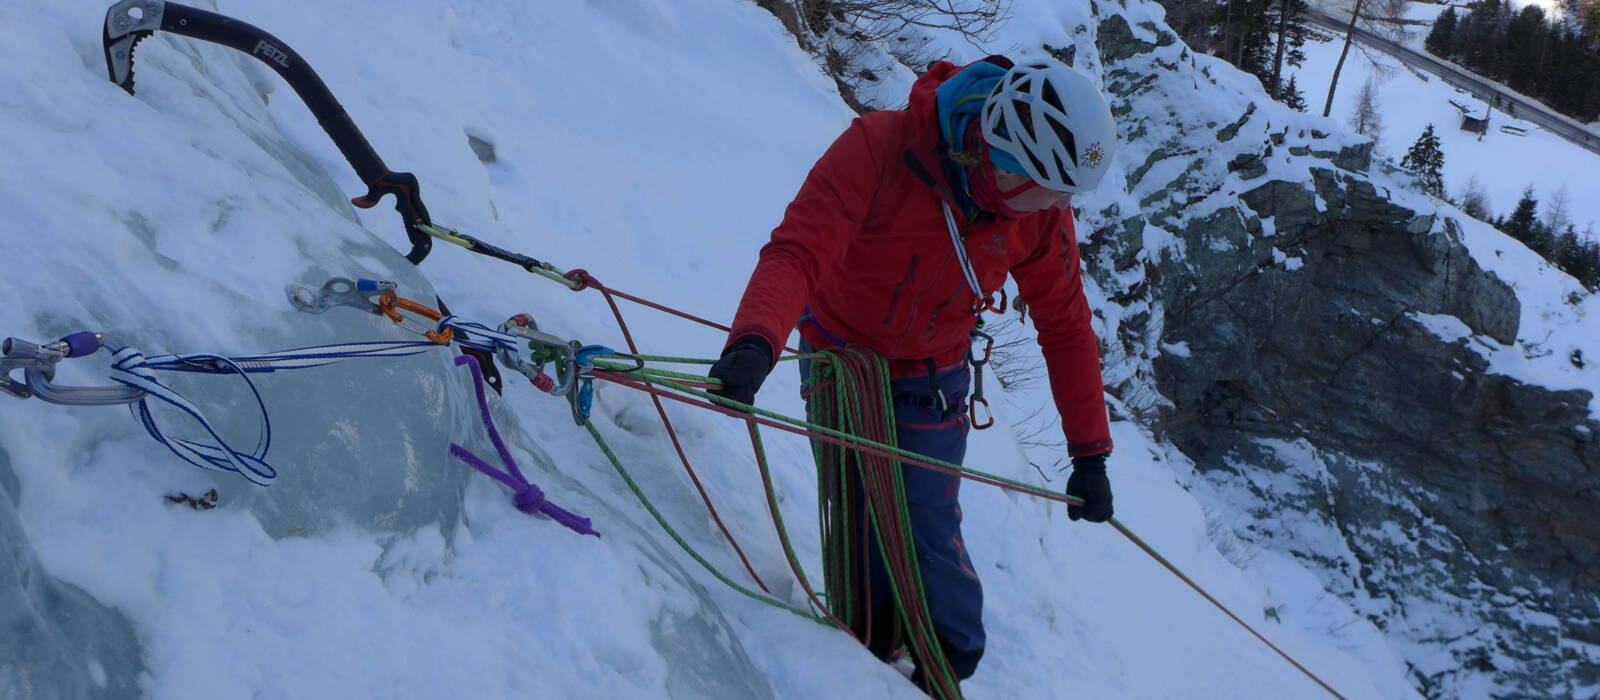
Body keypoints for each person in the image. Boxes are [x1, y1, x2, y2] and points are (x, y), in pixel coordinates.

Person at [708, 55, 1119, 685]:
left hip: (933, 370)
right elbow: (799, 250)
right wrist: (755, 342)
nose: (1057, 205)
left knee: (924, 516)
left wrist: (1089, 452)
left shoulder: (1036, 212)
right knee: (850, 501)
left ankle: (949, 656)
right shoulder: (879, 148)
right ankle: (865, 647)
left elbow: (1064, 324)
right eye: (1047, 188)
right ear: (1001, 156)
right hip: (838, 355)